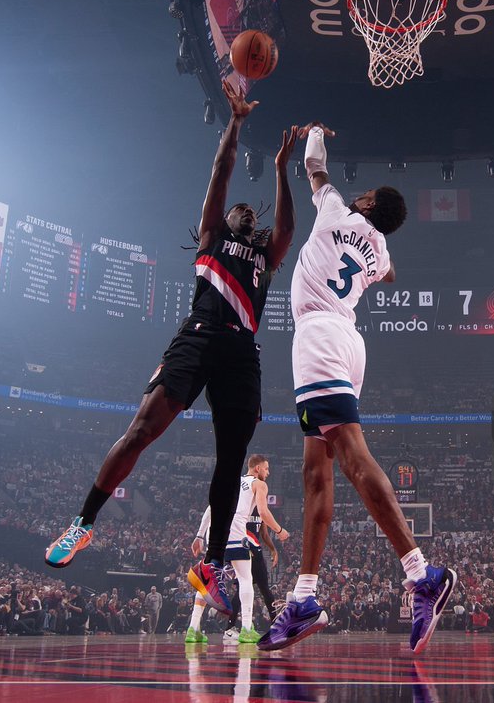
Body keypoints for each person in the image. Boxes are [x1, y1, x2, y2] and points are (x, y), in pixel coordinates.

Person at [45, 81, 297, 614]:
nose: (246, 213)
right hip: (198, 336)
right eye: (240, 212)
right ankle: (83, 522)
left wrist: (281, 167)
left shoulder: (265, 260)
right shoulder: (212, 236)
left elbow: (289, 228)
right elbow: (221, 173)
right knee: (142, 428)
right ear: (223, 221)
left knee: (231, 464)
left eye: (253, 213)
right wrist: (235, 122)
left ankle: (210, 565)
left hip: (241, 353)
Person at [259, 123, 455, 654]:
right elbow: (386, 274)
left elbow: (315, 169)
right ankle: (304, 598)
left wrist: (315, 132)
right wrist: (375, 251)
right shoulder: (380, 251)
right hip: (346, 341)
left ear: (365, 200)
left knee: (348, 456)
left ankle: (421, 574)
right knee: (314, 469)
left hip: (320, 336)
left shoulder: (338, 211)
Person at [185, 454, 289, 643]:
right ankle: (247, 629)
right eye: (266, 468)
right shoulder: (259, 483)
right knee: (245, 579)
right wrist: (279, 530)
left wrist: (199, 536)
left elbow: (211, 508)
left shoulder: (231, 481)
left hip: (215, 533)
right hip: (235, 533)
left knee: (208, 580)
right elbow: (264, 512)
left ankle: (193, 629)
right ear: (257, 468)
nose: (268, 472)